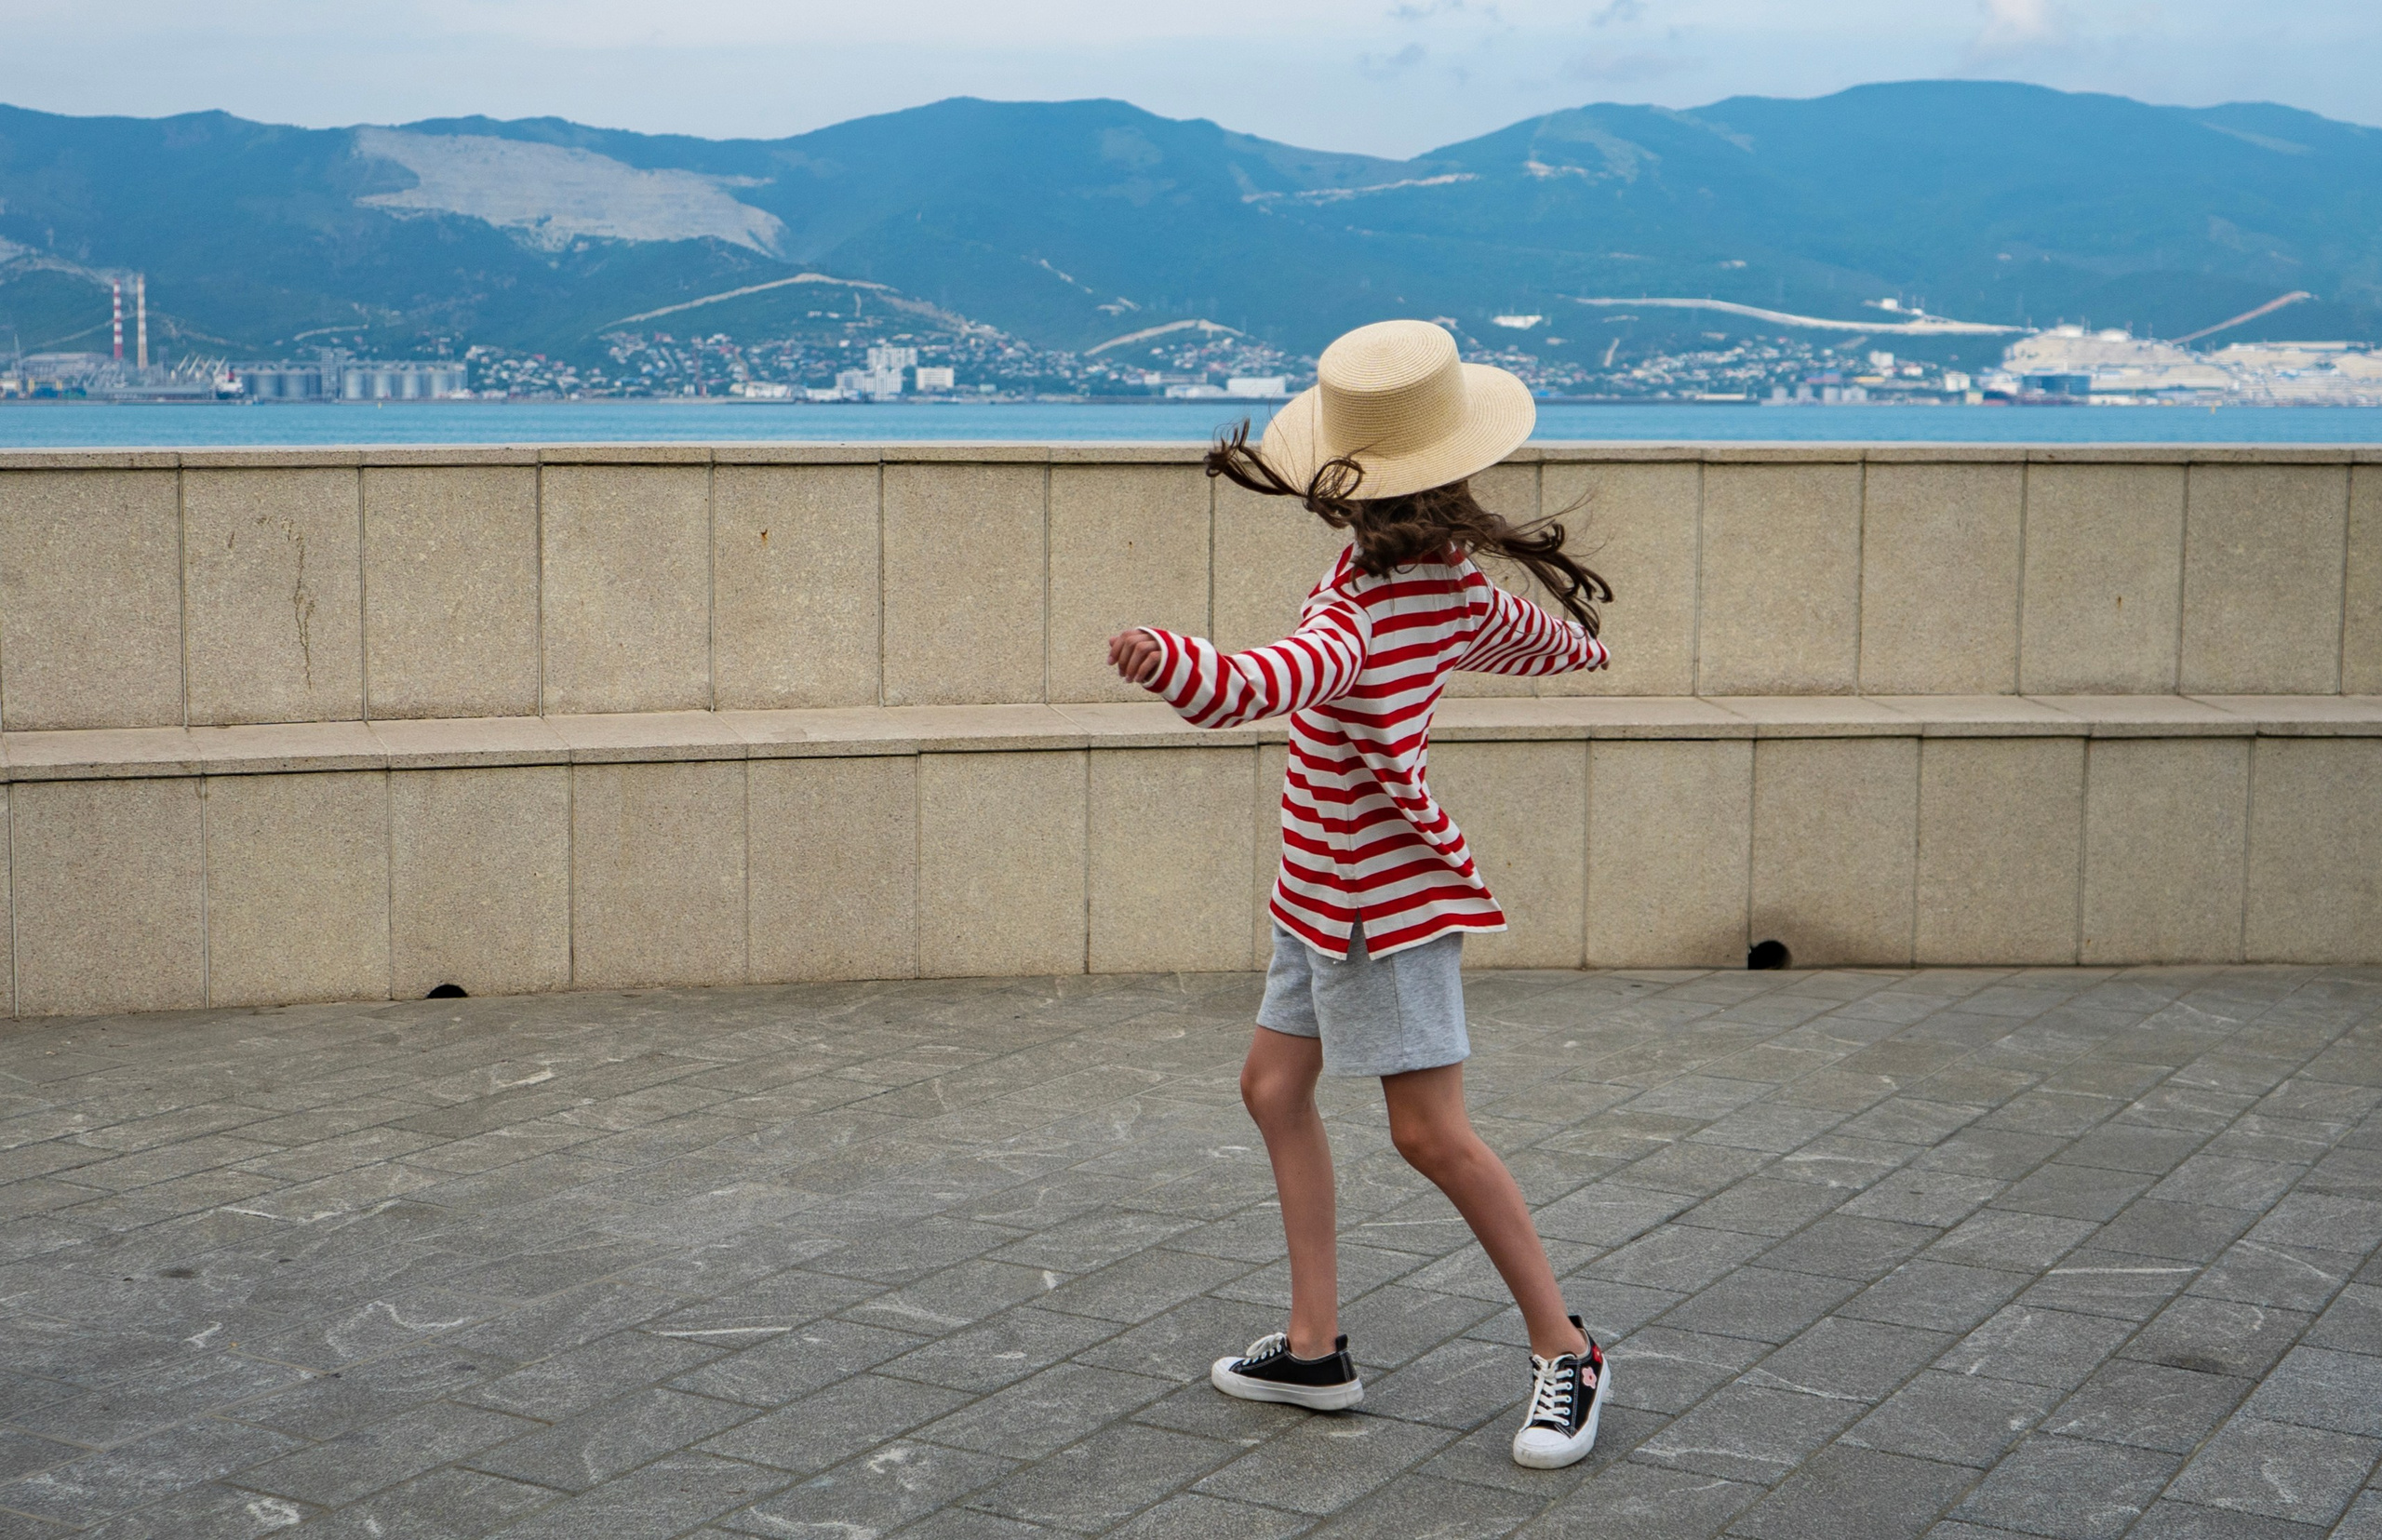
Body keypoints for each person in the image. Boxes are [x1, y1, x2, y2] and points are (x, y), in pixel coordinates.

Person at [1105, 318, 1617, 1470]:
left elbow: (1275, 676)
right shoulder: (1436, 583)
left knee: (1430, 1134)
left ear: (1347, 486)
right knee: (1273, 1085)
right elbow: (1539, 639)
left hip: (1378, 907)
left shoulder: (1367, 602)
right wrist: (1574, 645)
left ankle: (1566, 1344)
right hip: (1317, 892)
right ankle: (1313, 1347)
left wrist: (1169, 660)